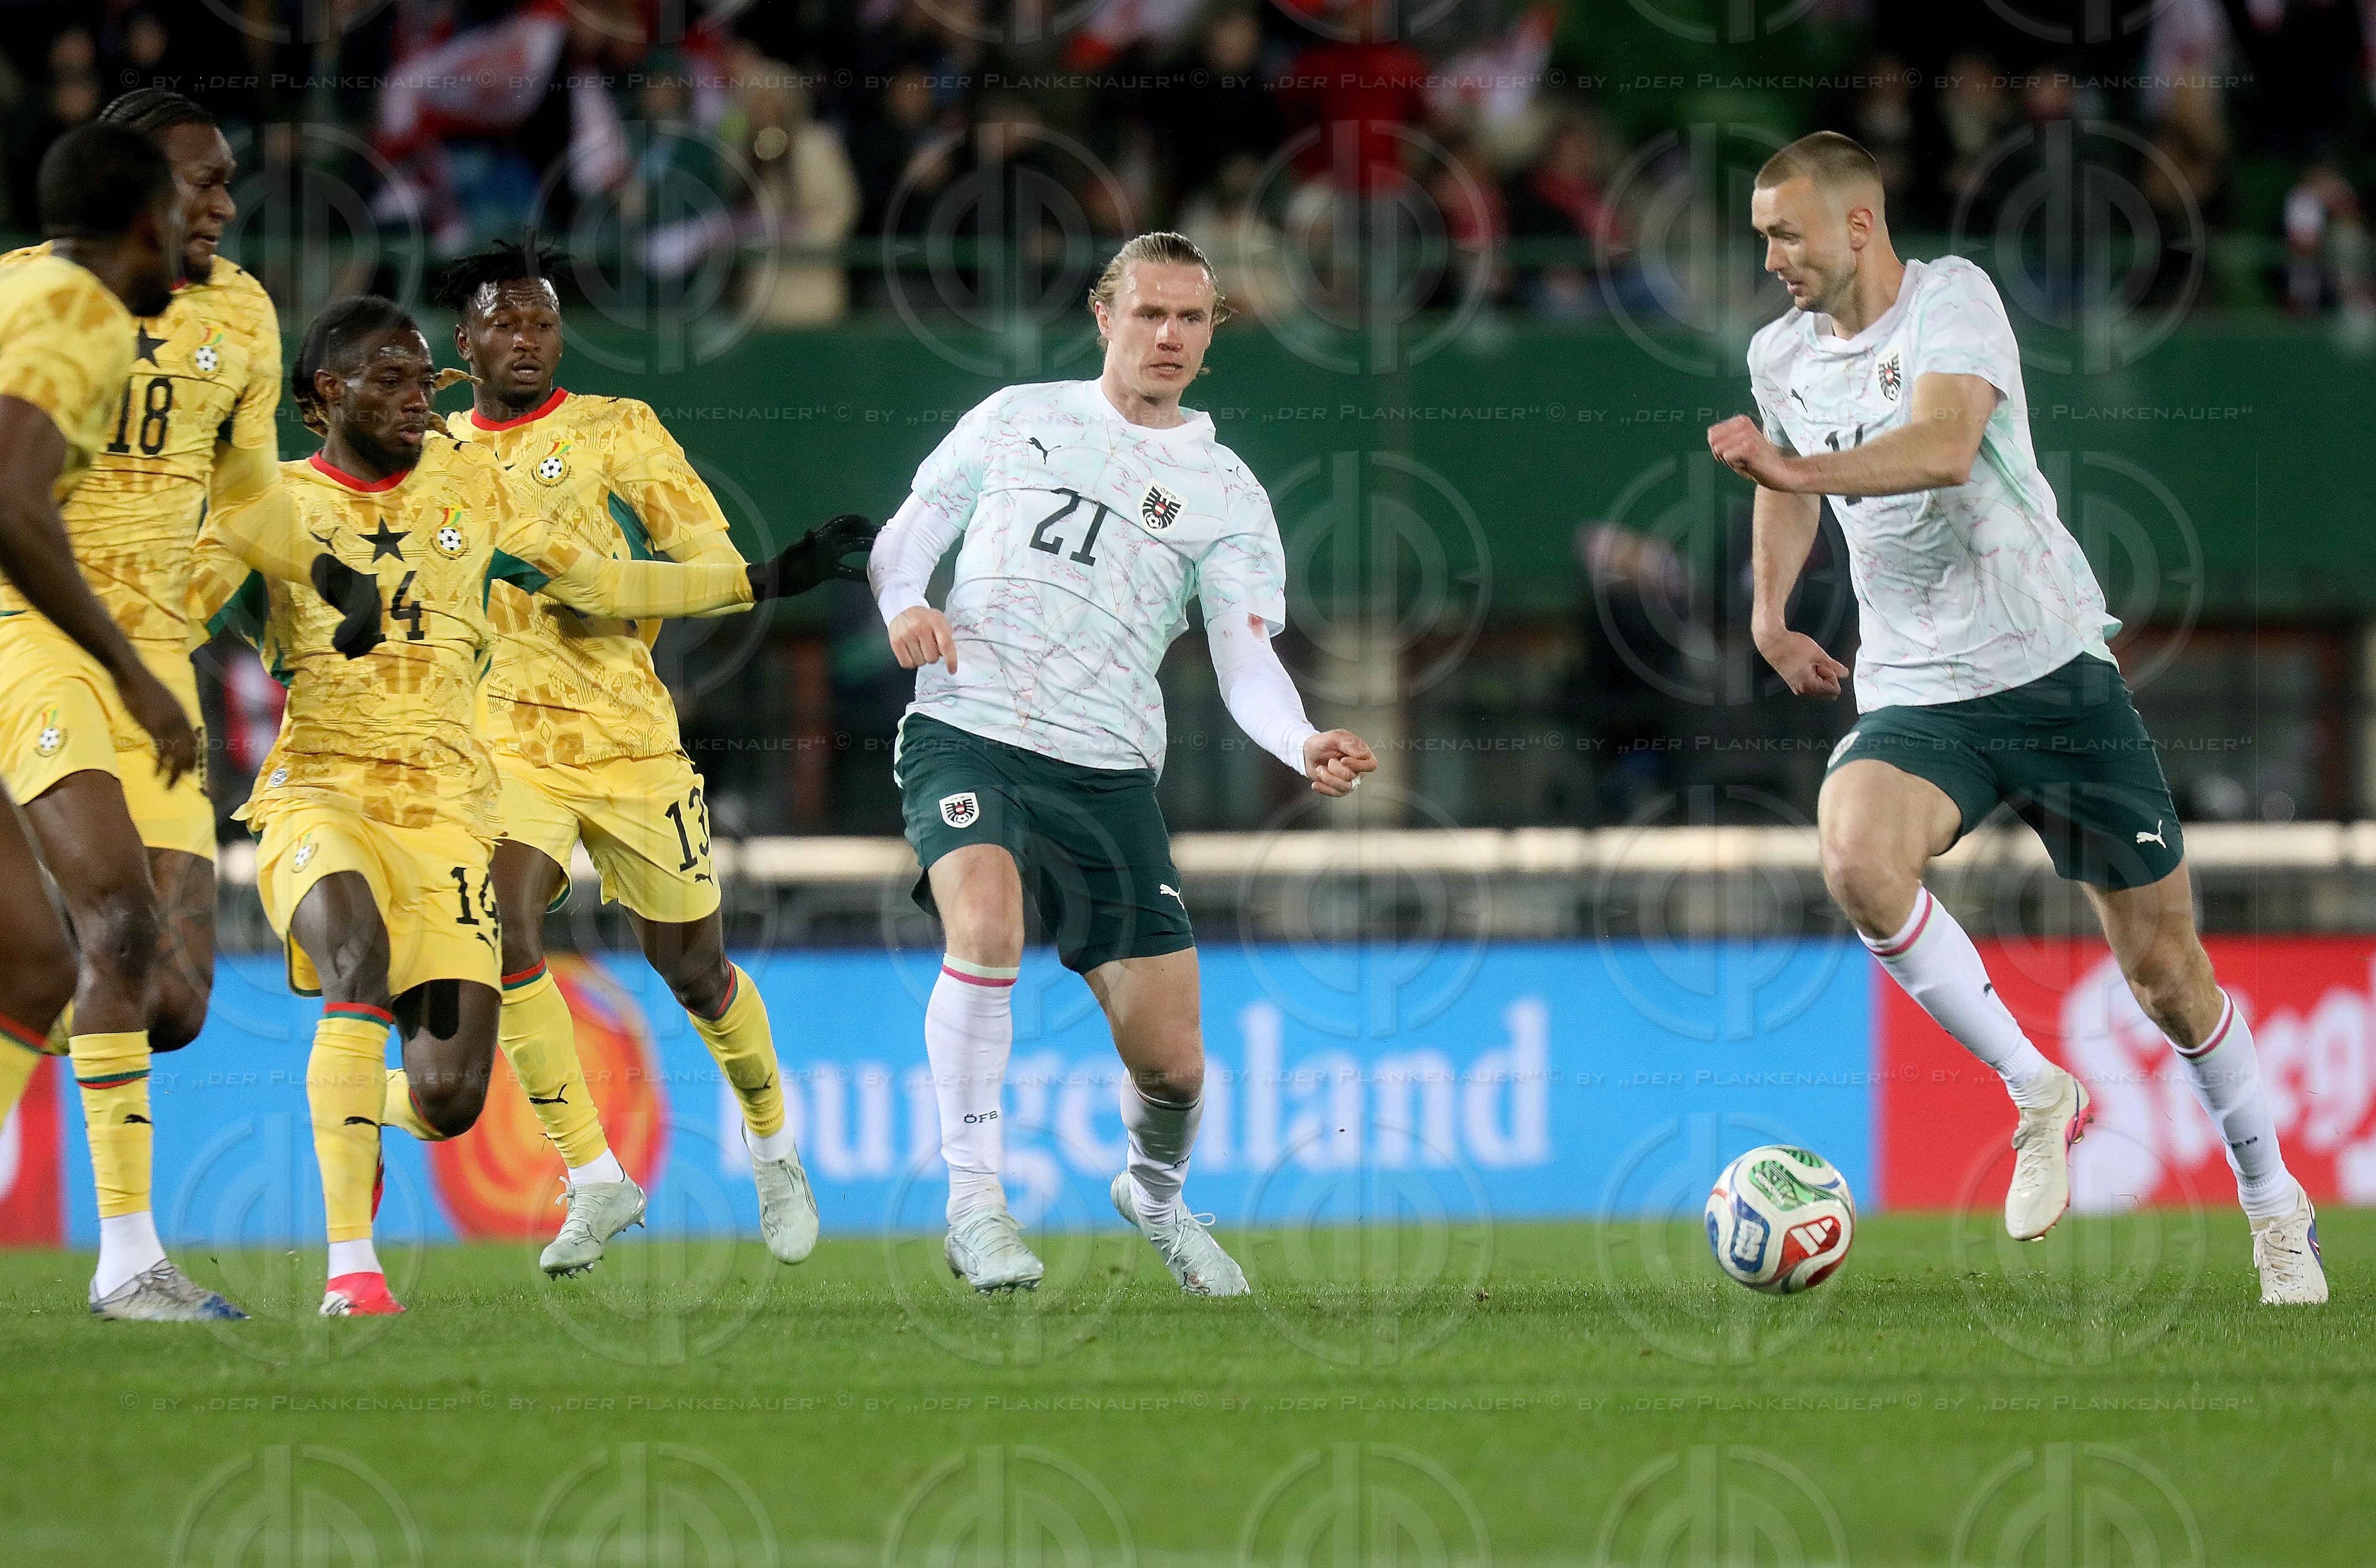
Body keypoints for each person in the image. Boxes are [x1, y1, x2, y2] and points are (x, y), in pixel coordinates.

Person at [1706, 131, 2325, 1305]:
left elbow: (1942, 448)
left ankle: (2274, 1204)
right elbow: (1784, 480)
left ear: (1857, 227)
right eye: (1762, 236)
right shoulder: (1779, 353)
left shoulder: (1957, 301)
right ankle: (2038, 1087)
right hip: (1921, 693)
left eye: (1787, 232)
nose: (1772, 255)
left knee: (2167, 975)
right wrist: (1771, 613)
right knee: (1855, 856)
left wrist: (1788, 478)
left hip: (2051, 676)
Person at [189, 297, 868, 1316]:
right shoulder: (270, 506)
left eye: (426, 384)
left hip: (555, 771)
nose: (424, 402)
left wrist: (777, 576)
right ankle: (395, 1256)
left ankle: (769, 1144)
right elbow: (181, 606)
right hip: (358, 782)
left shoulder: (480, 480)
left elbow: (599, 580)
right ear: (328, 392)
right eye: (400, 380)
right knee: (376, 962)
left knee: (479, 1083)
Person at [868, 231, 1377, 1297]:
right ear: (1105, 316)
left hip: (1104, 772)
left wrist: (1301, 741)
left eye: (1190, 319)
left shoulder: (1226, 493)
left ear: (1211, 334)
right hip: (971, 726)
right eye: (1149, 314)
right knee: (988, 926)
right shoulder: (1019, 417)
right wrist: (905, 605)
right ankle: (976, 1208)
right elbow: (906, 539)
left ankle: (1153, 1193)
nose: (1169, 336)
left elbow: (1245, 659)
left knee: (1174, 1068)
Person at [430, 240, 870, 1276]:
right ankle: (594, 1177)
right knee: (499, 929)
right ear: (465, 343)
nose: (527, 340)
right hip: (504, 742)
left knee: (694, 971)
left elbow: (711, 568)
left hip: (629, 740)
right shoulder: (438, 454)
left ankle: (772, 1146)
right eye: (505, 323)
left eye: (542, 322)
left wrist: (610, 581)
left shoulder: (615, 430)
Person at [0, 90, 274, 1321]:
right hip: (42, 641)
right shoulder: (57, 305)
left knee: (157, 995)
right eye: (197, 189)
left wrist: (321, 582)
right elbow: (13, 506)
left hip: (151, 655)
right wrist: (121, 668)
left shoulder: (240, 313)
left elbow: (257, 497)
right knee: (107, 924)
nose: (219, 209)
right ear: (136, 201)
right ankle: (127, 1263)